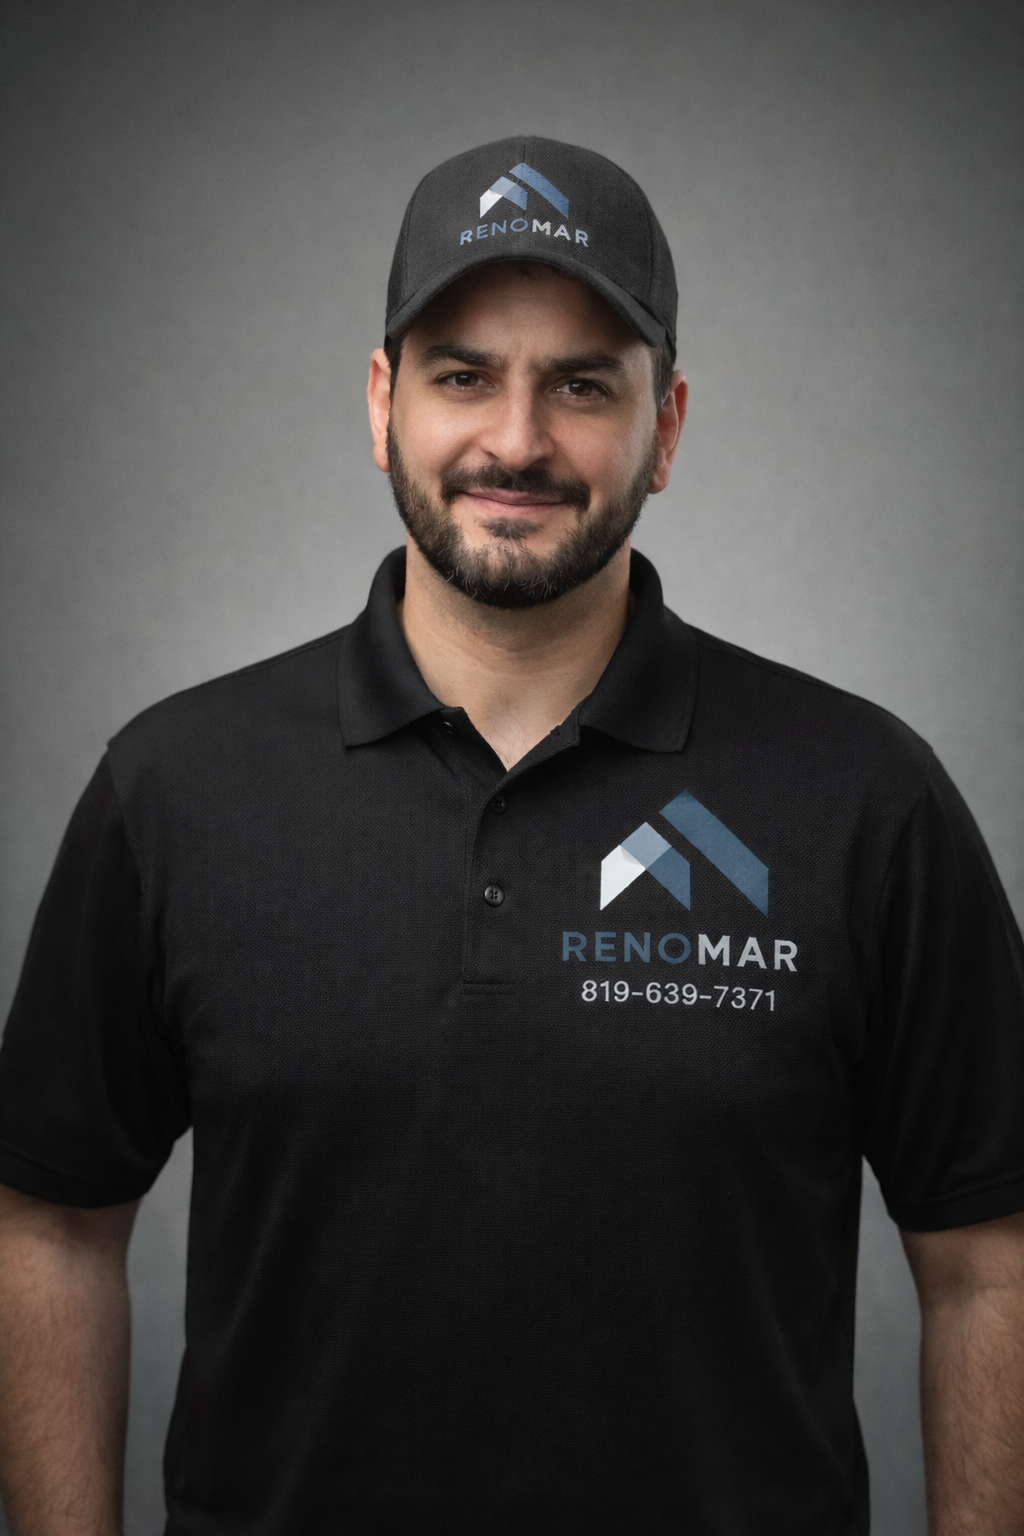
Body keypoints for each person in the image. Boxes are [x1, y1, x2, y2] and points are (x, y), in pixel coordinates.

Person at [0, 135, 1022, 1536]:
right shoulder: (175, 788)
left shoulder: (863, 798)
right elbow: (51, 1224)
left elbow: (989, 1262)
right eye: (463, 375)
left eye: (583, 384)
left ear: (667, 427)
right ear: (382, 403)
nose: (518, 441)